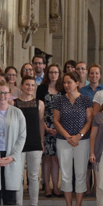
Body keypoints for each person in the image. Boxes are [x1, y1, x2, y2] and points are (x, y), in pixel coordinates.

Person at [53, 72, 93, 206]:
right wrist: (68, 136)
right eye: (64, 83)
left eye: (69, 82)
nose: (66, 85)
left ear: (77, 83)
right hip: (64, 141)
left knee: (81, 173)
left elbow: (89, 120)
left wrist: (78, 136)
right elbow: (56, 121)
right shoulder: (59, 100)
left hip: (82, 141)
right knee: (66, 174)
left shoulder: (85, 100)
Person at [13, 77, 45, 205]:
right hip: (18, 144)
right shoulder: (13, 103)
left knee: (33, 176)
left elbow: (41, 123)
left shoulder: (40, 103)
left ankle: (34, 205)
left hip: (34, 142)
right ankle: (18, 205)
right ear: (21, 86)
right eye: (27, 85)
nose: (30, 87)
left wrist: (41, 141)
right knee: (18, 176)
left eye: (32, 85)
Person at [42, 65, 63, 198]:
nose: (53, 74)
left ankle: (56, 186)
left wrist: (58, 127)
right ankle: (47, 187)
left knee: (56, 159)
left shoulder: (62, 89)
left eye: (55, 72)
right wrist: (45, 127)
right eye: (51, 72)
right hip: (44, 125)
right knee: (47, 158)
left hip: (59, 126)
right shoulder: (42, 88)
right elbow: (38, 109)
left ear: (59, 74)